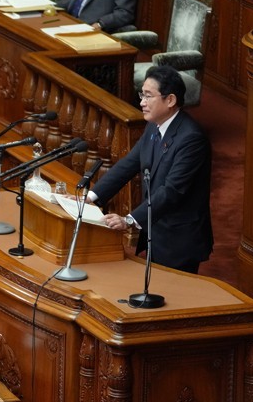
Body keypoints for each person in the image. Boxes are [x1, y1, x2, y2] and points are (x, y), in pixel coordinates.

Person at [90, 65, 212, 274]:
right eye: (142, 95)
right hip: (155, 228)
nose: (142, 103)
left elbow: (171, 191)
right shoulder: (154, 125)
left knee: (173, 297)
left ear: (170, 100)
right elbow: (130, 163)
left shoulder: (191, 139)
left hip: (178, 238)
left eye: (148, 96)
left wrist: (129, 220)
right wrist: (92, 196)